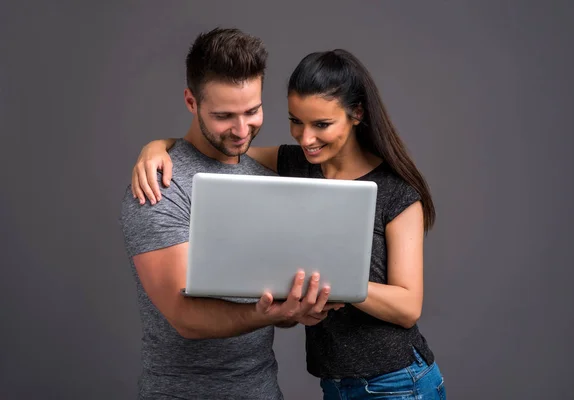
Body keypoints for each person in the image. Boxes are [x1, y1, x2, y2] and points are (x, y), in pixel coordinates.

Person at [130, 48, 447, 399]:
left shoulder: (397, 193)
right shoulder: (297, 164)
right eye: (296, 121)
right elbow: (219, 148)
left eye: (322, 125)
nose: (306, 138)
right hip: (336, 383)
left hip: (399, 382)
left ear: (356, 114)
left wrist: (333, 279)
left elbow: (408, 307)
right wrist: (156, 146)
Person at [119, 28, 343, 400]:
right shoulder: (159, 186)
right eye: (224, 116)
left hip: (263, 390)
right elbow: (185, 318)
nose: (242, 131)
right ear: (191, 102)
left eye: (252, 111)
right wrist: (269, 315)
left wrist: (291, 309)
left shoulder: (266, 174)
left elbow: (266, 290)